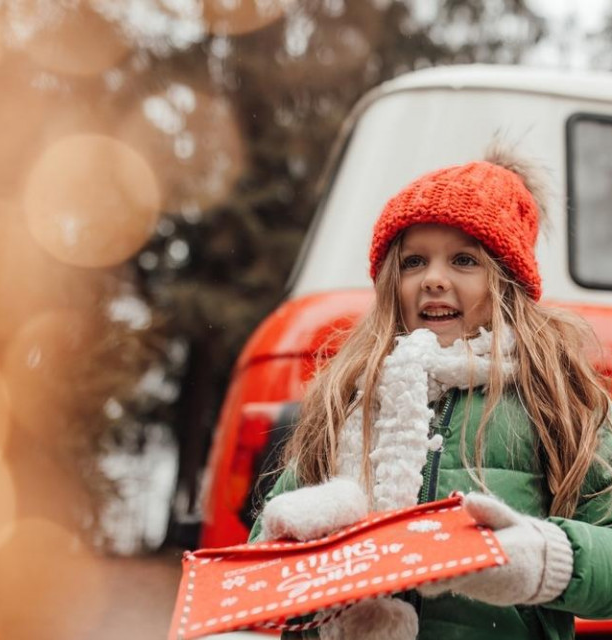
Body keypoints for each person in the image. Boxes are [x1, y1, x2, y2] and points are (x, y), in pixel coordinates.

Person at [248, 144, 612, 640]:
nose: (434, 280)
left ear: (506, 283)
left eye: (464, 260)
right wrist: (288, 543)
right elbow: (257, 573)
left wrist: (546, 558)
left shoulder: (556, 401)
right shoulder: (350, 398)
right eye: (414, 261)